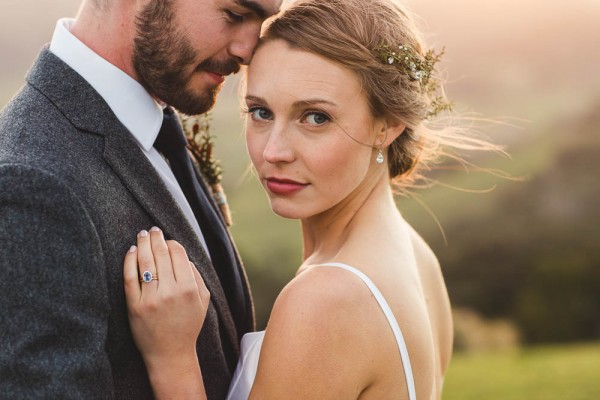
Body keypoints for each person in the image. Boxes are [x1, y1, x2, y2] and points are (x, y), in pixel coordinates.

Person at [122, 0, 485, 398]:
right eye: (260, 112)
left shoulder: (327, 299)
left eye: (315, 117)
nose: (274, 151)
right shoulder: (417, 258)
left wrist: (172, 361)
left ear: (388, 125)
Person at [0, 0, 281, 398]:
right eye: (234, 15)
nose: (248, 50)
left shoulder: (154, 122)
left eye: (263, 22)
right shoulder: (31, 185)